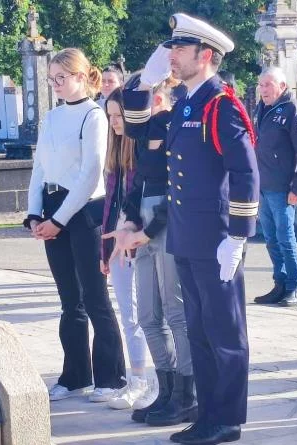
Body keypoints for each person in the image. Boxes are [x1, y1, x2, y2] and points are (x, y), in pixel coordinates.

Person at [115, 13, 258, 444]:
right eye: (172, 48)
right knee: (198, 330)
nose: (171, 56)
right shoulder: (187, 104)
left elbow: (246, 173)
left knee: (224, 333)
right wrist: (144, 82)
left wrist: (237, 236)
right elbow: (136, 128)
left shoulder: (221, 105)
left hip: (215, 239)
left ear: (206, 55)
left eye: (180, 49)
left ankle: (227, 420)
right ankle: (207, 413)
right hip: (187, 238)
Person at [24, 48, 127, 401]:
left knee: (95, 297)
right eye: (52, 79)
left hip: (83, 212)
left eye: (61, 78)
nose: (56, 84)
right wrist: (35, 213)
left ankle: (111, 378)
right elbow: (40, 168)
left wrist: (58, 219)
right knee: (69, 301)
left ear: (82, 77)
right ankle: (75, 376)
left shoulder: (93, 116)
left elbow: (89, 175)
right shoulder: (52, 118)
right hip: (53, 208)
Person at [104, 76, 198, 426]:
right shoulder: (143, 138)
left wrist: (147, 231)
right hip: (142, 226)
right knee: (147, 315)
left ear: (157, 100)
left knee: (176, 314)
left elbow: (179, 189)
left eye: (125, 112)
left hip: (165, 228)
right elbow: (139, 184)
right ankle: (168, 388)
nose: (123, 120)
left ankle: (186, 395)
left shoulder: (176, 129)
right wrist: (129, 222)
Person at [99, 87, 151, 408]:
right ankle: (137, 380)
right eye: (110, 116)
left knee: (146, 314)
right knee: (128, 313)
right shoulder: (114, 153)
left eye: (118, 115)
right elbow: (108, 204)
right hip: (115, 241)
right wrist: (103, 252)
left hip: (141, 239)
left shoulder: (144, 151)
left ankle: (146, 381)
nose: (114, 122)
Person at [252, 67, 297, 307]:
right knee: (270, 239)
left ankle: (294, 286)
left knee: (285, 238)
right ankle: (279, 283)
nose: (263, 89)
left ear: (282, 86)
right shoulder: (262, 108)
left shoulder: (292, 109)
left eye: (268, 85)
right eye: (261, 85)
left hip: (282, 188)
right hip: (264, 185)